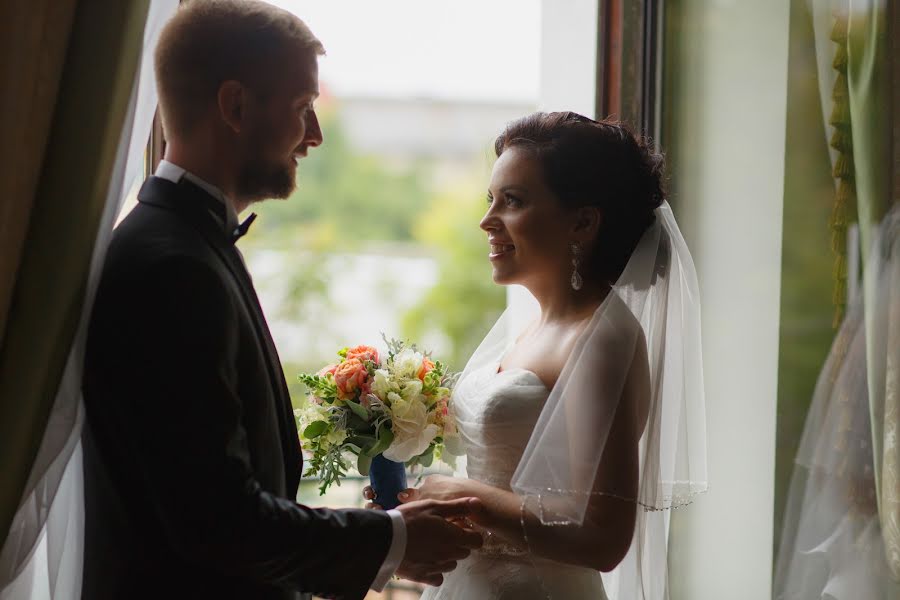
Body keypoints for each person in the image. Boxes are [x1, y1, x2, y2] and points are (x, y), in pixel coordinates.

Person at [81, 2, 481, 599]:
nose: (315, 135)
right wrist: (390, 539)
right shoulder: (171, 267)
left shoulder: (185, 243)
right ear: (236, 106)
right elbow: (216, 519)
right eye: (302, 108)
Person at [365, 112, 708, 599]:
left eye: (513, 201)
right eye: (491, 200)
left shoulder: (604, 337)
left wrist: (471, 500)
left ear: (583, 222)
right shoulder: (531, 329)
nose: (487, 221)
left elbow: (603, 538)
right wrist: (419, 504)